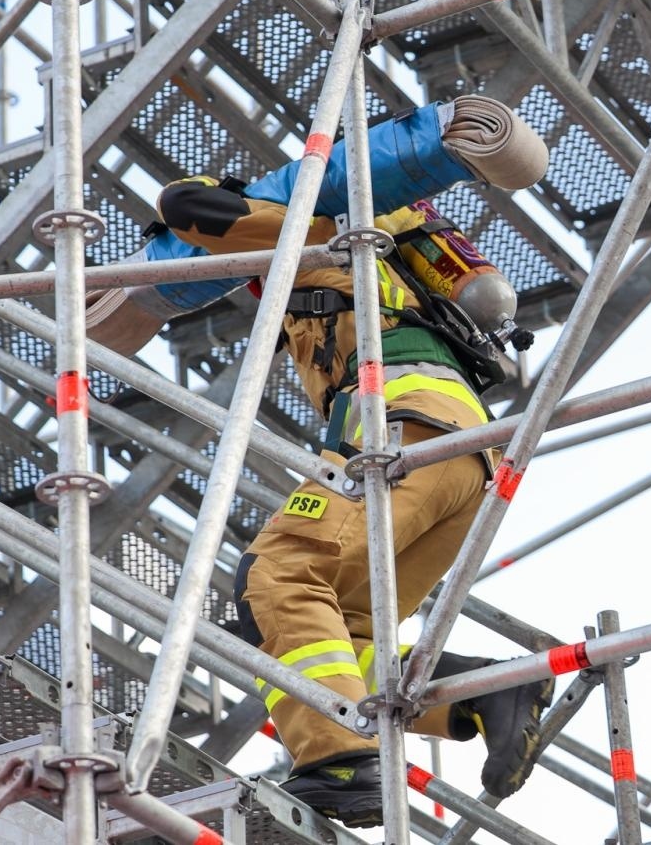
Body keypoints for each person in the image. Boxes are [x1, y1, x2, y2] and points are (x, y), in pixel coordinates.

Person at [87, 97, 553, 828]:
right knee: (341, 629)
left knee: (278, 577)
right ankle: (481, 690)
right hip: (465, 454)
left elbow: (193, 210)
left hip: (399, 430)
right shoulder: (389, 271)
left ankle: (342, 760)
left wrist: (206, 223)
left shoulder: (326, 236)